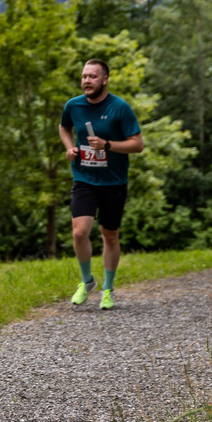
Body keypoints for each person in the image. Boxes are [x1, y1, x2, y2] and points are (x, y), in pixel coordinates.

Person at [58, 59, 143, 310]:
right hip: (84, 177)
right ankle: (87, 281)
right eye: (84, 76)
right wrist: (70, 147)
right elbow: (64, 127)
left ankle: (108, 288)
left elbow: (137, 145)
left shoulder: (120, 108)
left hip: (114, 181)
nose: (86, 81)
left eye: (92, 77)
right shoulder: (73, 105)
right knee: (79, 231)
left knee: (110, 235)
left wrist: (107, 145)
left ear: (104, 79)